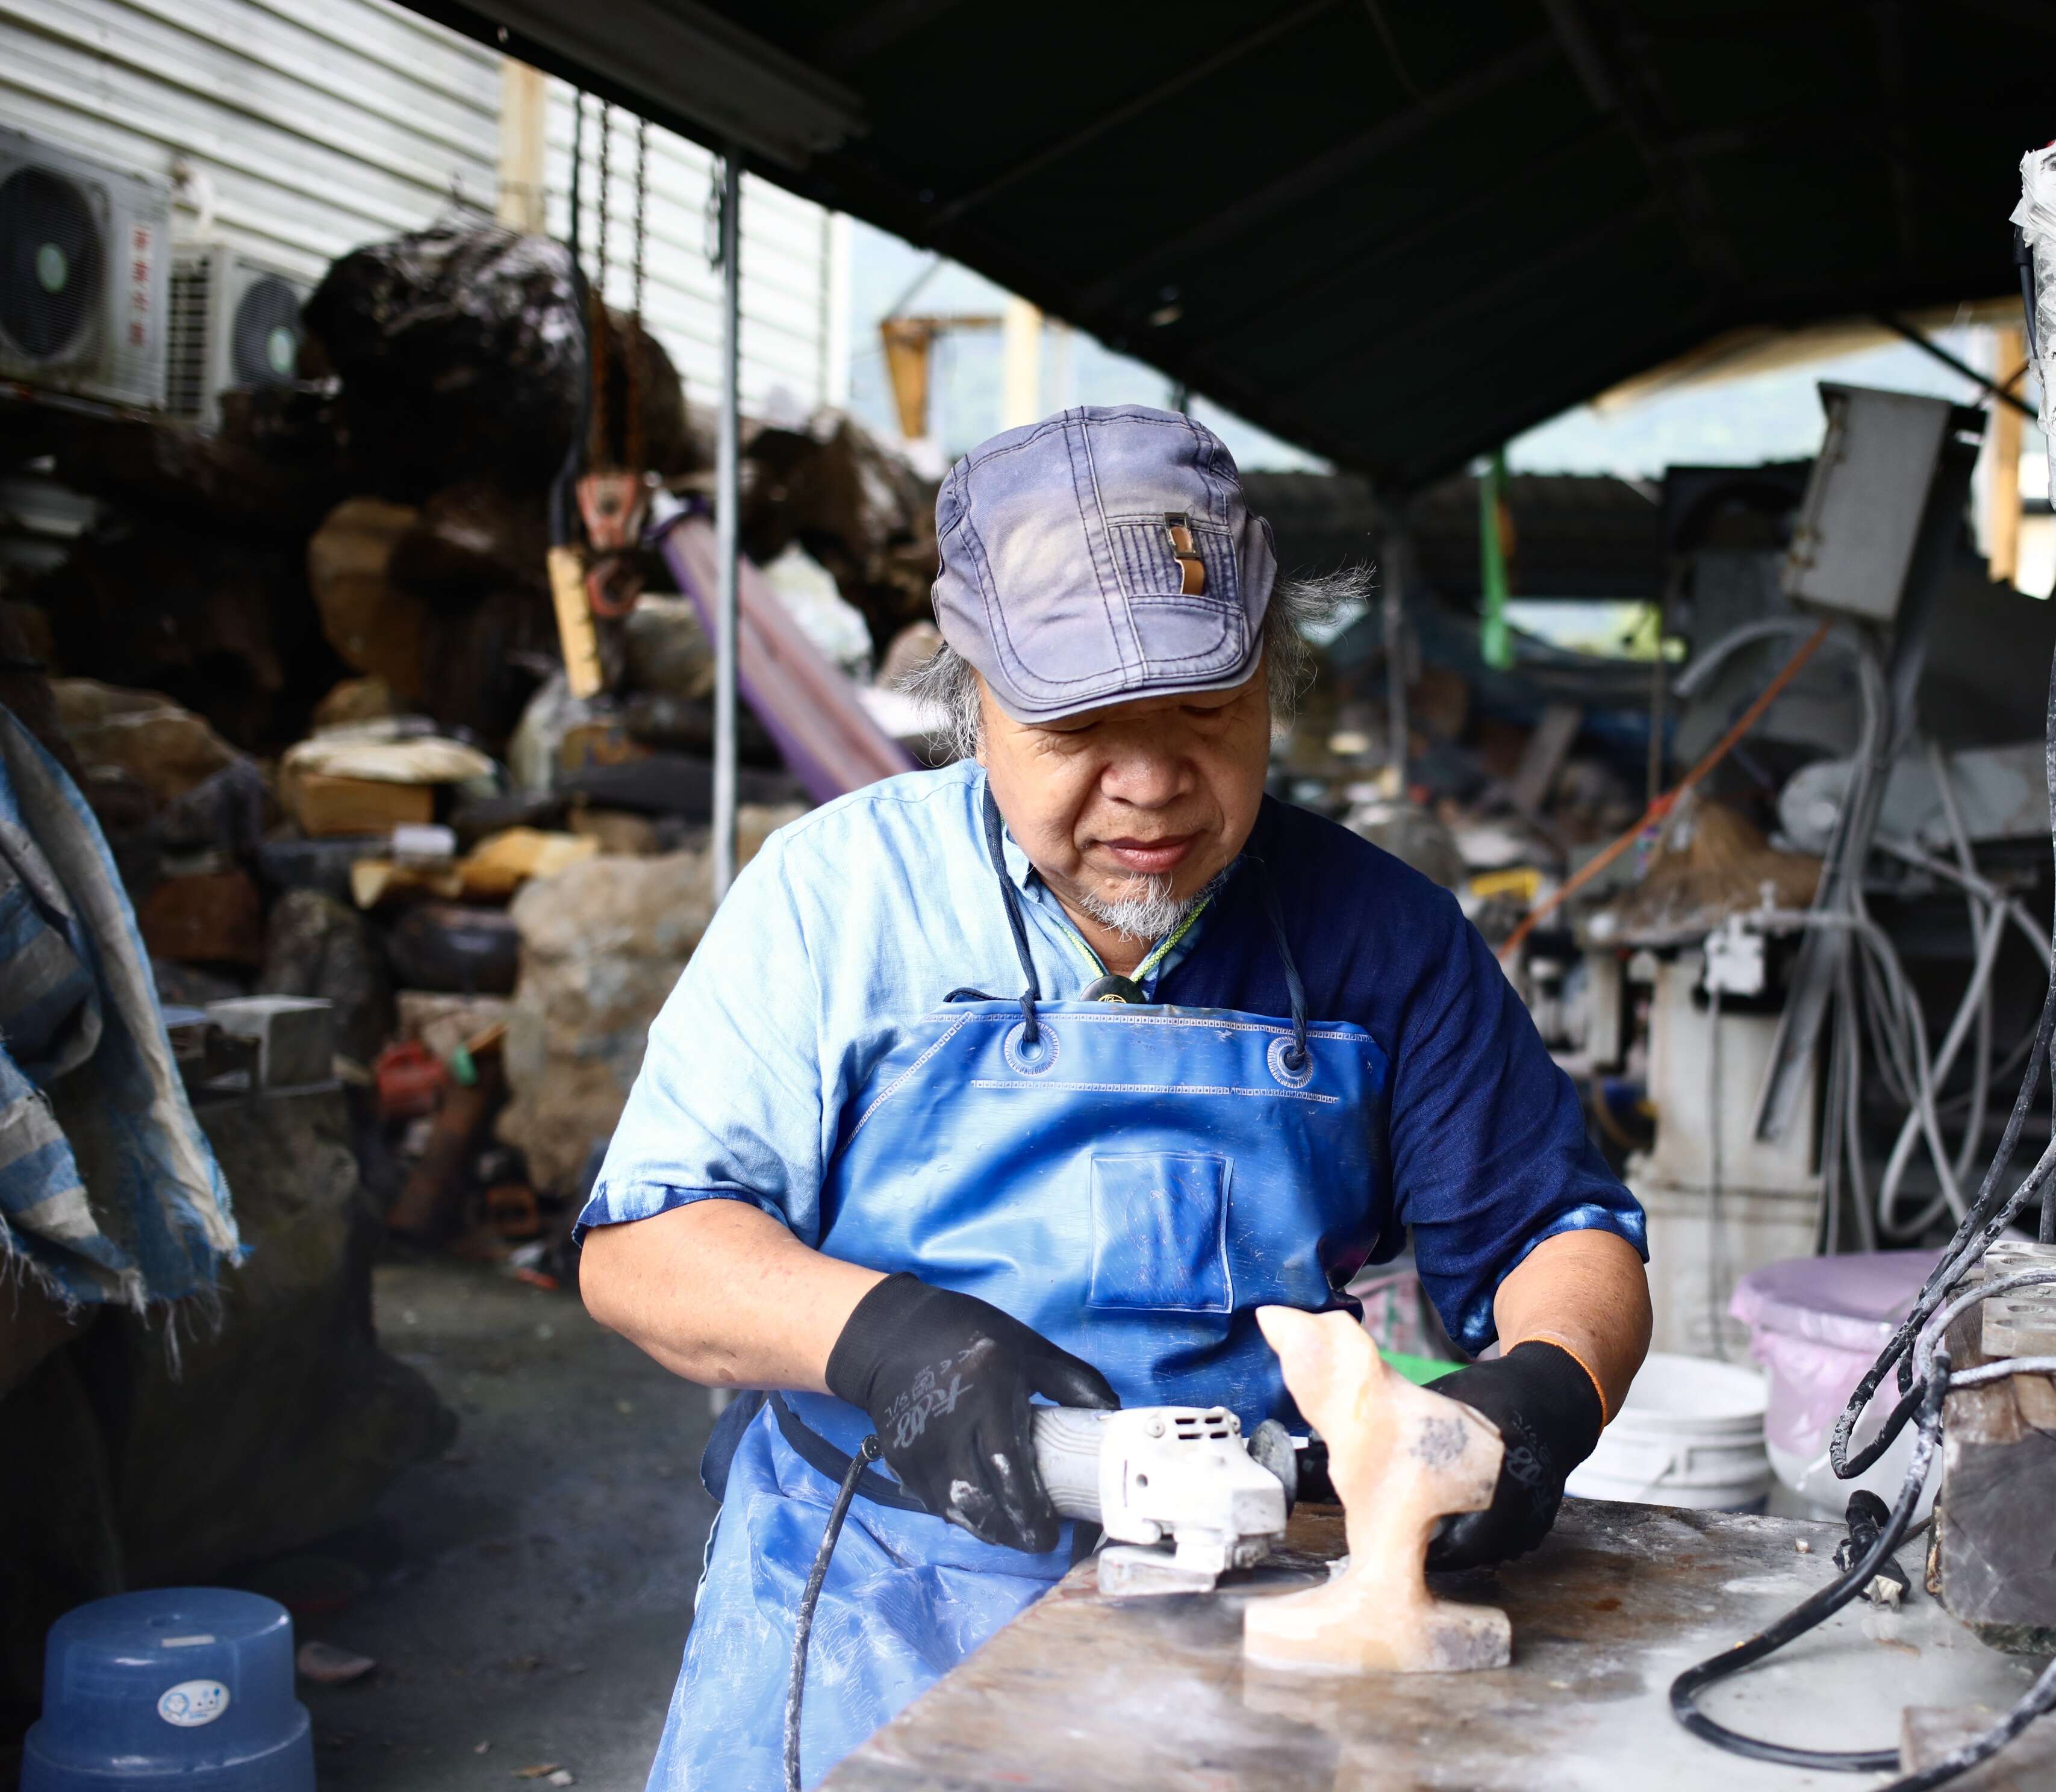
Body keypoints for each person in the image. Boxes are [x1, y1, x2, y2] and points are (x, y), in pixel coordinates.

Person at [578, 404, 1651, 1789]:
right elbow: (643, 1247)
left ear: (1276, 676)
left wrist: (1540, 1395)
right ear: (975, 693)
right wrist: (887, 1341)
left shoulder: (1384, 936)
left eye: (1207, 713)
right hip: (869, 1593)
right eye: (1081, 726)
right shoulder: (835, 899)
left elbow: (1562, 1232)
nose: (1149, 788)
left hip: (1247, 1602)